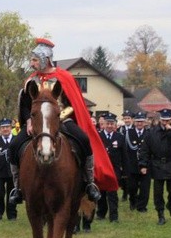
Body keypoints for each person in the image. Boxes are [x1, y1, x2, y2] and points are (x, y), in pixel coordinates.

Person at [8, 38, 117, 205]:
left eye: (35, 60)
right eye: (32, 60)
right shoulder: (31, 80)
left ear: (45, 59)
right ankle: (17, 188)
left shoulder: (63, 78)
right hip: (37, 123)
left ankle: (89, 183)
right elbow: (25, 105)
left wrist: (57, 118)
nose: (32, 64)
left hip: (62, 120)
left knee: (83, 139)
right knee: (14, 146)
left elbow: (73, 104)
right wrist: (29, 121)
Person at [138, 108, 171, 225]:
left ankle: (170, 204)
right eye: (163, 120)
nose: (165, 122)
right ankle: (160, 214)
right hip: (157, 164)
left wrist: (170, 132)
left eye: (168, 120)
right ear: (160, 119)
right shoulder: (152, 132)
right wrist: (143, 164)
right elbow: (145, 150)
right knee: (158, 193)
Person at [96, 113, 125, 223]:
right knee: (101, 192)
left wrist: (124, 171)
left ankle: (114, 216)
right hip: (101, 169)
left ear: (115, 125)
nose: (109, 126)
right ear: (103, 124)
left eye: (112, 124)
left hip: (114, 169)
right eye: (107, 123)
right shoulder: (98, 136)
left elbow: (124, 154)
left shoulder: (120, 137)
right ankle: (101, 213)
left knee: (113, 193)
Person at [125, 112, 151, 212]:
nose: (139, 123)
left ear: (144, 122)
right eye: (137, 121)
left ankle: (142, 206)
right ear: (134, 122)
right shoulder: (129, 133)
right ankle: (133, 202)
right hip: (133, 165)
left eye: (141, 121)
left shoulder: (149, 133)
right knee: (132, 187)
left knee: (145, 188)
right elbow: (126, 149)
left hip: (146, 165)